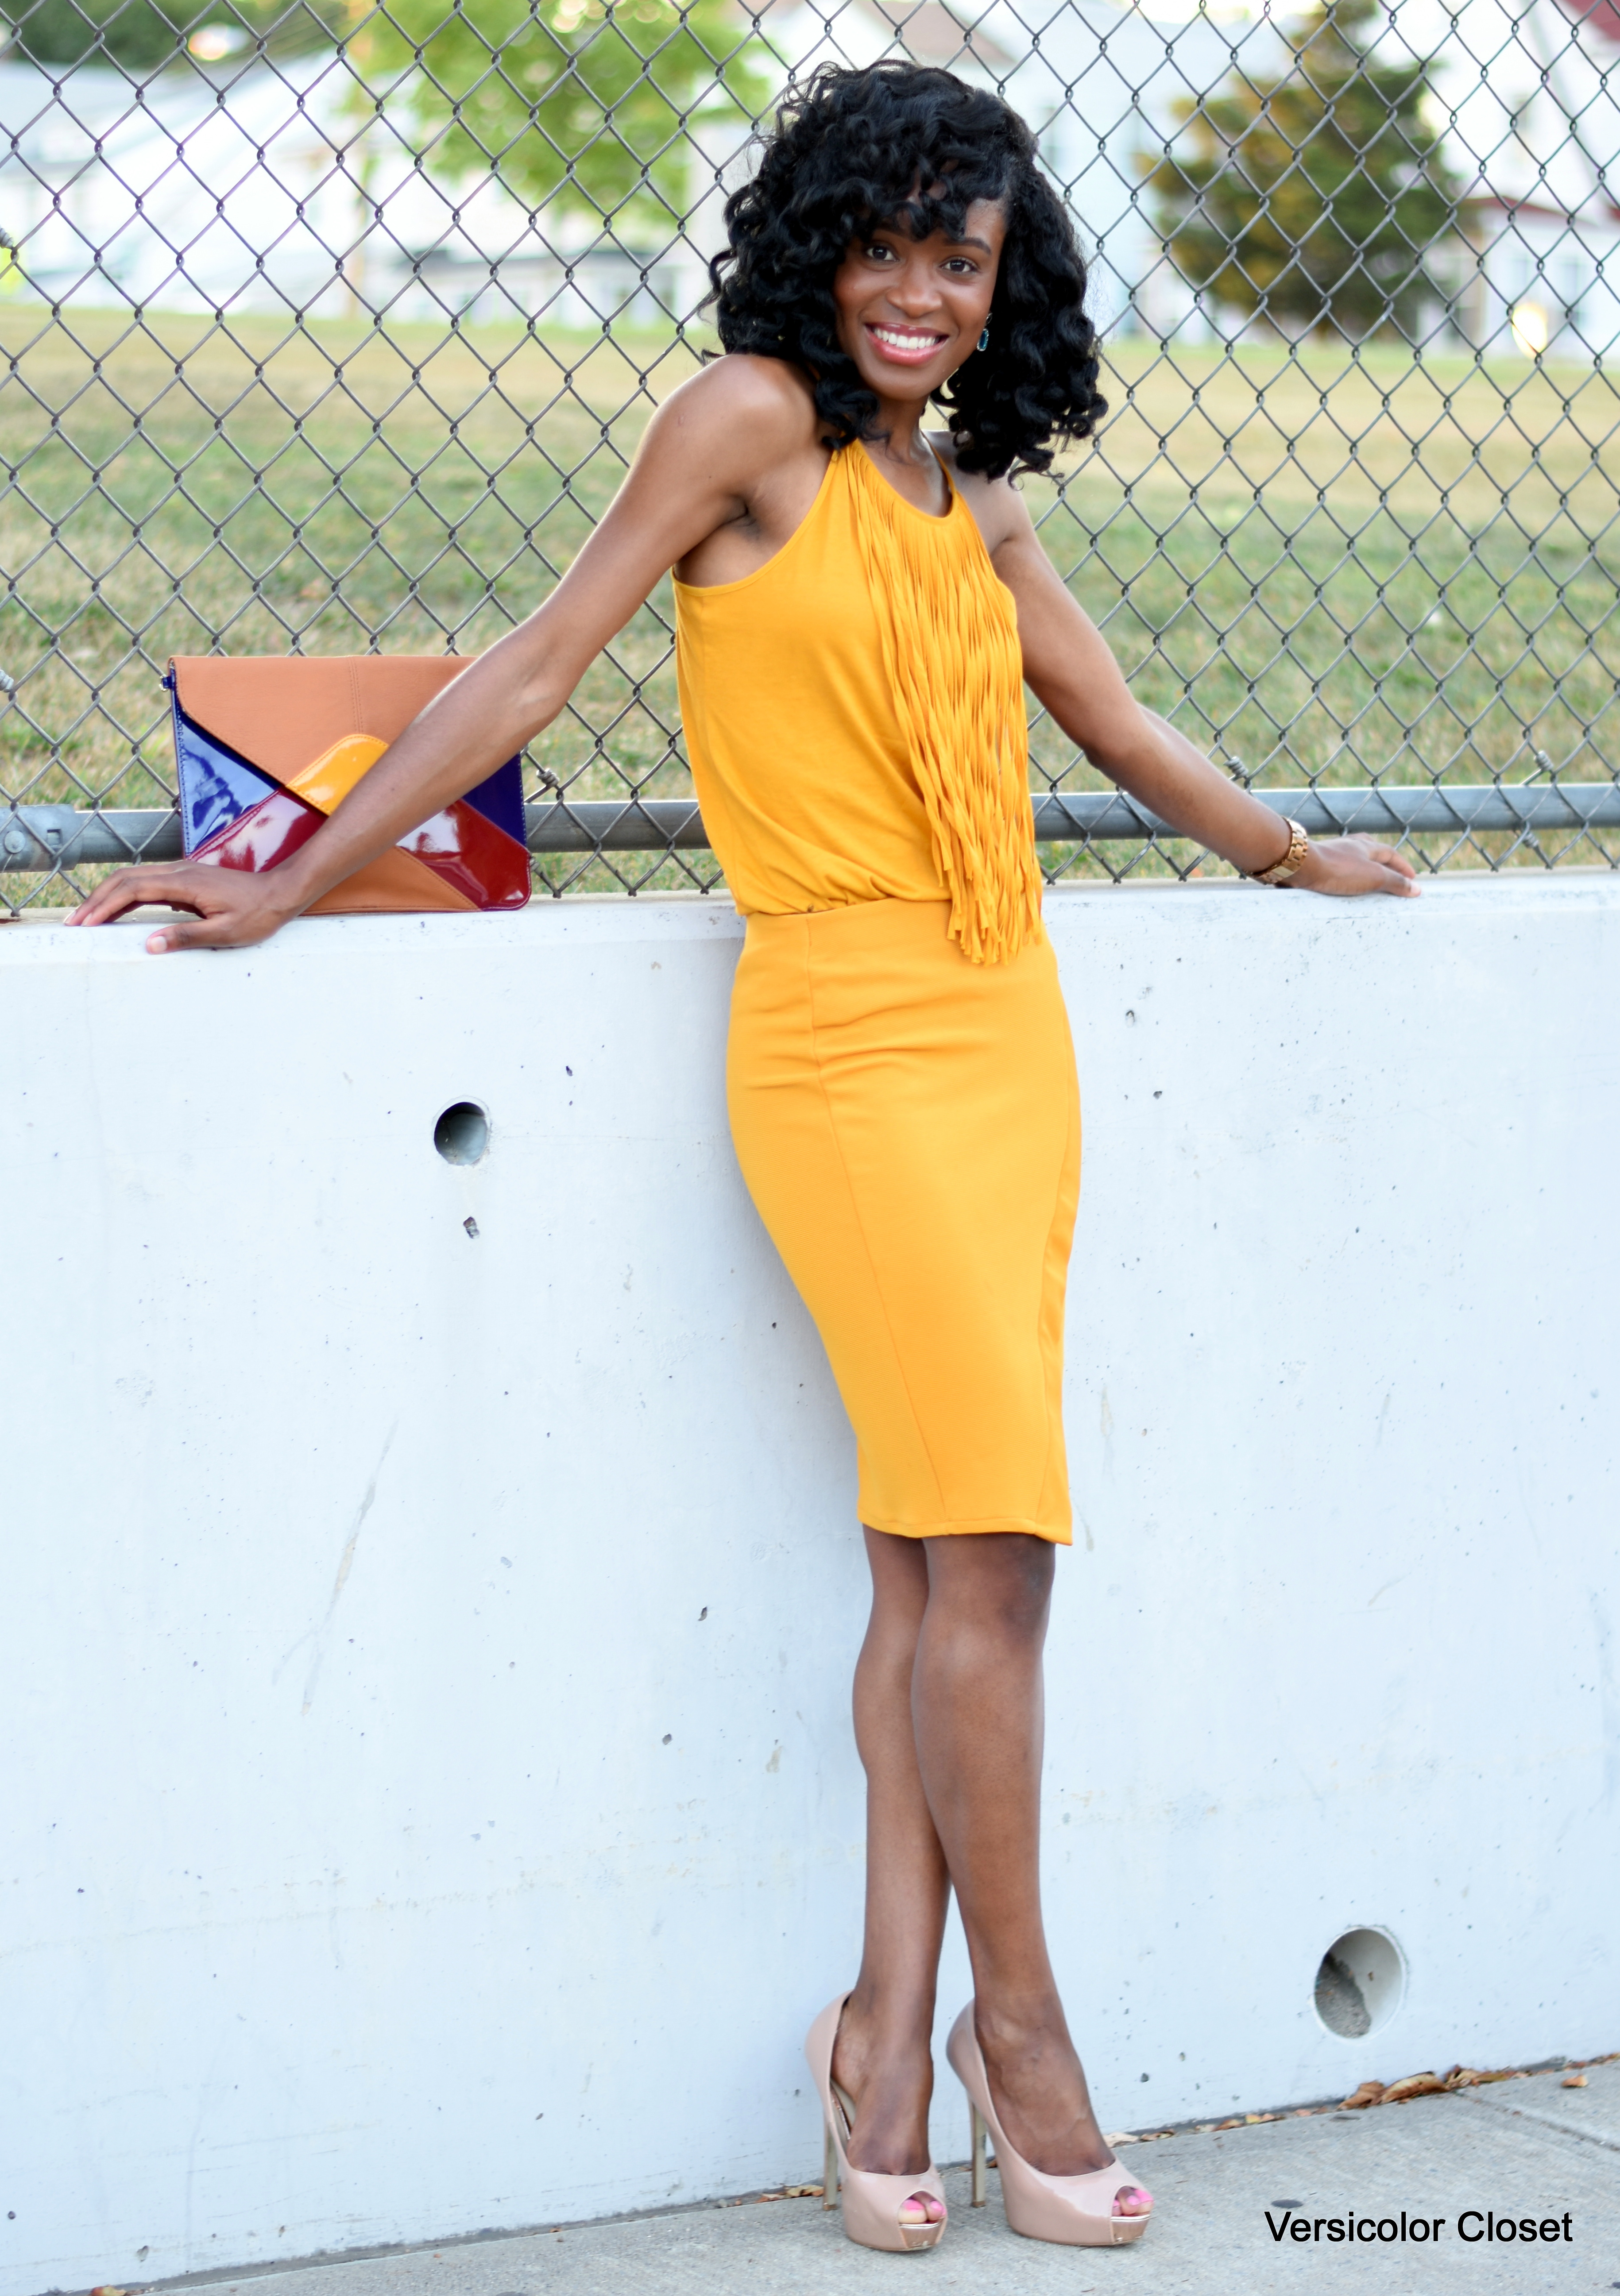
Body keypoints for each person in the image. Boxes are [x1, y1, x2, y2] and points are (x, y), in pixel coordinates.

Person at [69, 60, 1418, 2255]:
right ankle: (1033, 2037)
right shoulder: (743, 431)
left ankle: (883, 2046)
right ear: (820, 242)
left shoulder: (960, 487)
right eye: (880, 244)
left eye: (956, 258)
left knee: (930, 1577)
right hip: (845, 1042)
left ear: (1007, 285)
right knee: (994, 1570)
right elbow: (538, 664)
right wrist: (289, 879)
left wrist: (1290, 853)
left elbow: (1112, 716)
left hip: (1006, 1027)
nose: (914, 291)